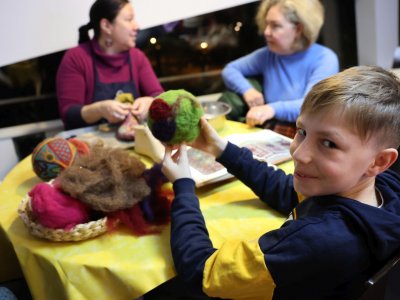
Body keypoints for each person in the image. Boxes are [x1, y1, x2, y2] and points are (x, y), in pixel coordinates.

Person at [161, 65, 400, 299]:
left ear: (379, 161)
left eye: (329, 144)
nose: (299, 154)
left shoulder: (316, 242)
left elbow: (201, 271)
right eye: (302, 131)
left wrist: (183, 186)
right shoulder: (383, 188)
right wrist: (219, 148)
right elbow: (287, 192)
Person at [220, 0, 339, 138]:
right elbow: (230, 70)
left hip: (306, 133)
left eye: (275, 26)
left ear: (298, 30)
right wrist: (247, 90)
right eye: (266, 24)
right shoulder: (267, 55)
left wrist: (271, 109)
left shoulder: (324, 59)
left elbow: (311, 107)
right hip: (273, 128)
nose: (266, 32)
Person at [56, 0, 163, 130]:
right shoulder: (76, 58)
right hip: (90, 144)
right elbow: (68, 114)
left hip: (133, 139)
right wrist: (100, 109)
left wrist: (150, 102)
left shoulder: (137, 57)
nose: (136, 26)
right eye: (129, 20)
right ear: (106, 26)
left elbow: (159, 95)